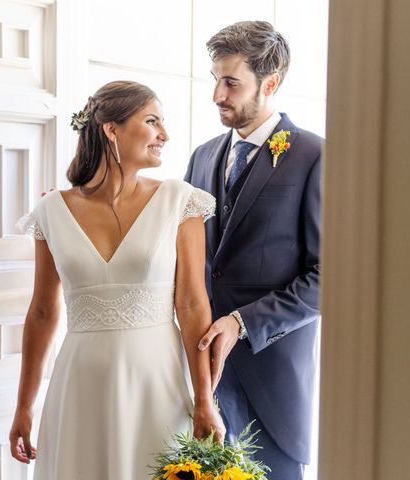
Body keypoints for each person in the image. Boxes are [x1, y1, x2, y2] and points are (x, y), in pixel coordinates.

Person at [9, 80, 224, 479]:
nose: (164, 135)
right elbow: (41, 312)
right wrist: (24, 406)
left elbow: (193, 306)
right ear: (112, 129)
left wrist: (204, 399)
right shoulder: (52, 210)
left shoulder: (181, 201)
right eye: (151, 121)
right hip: (80, 383)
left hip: (157, 383)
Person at [184, 21, 322, 480]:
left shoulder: (315, 157)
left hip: (274, 385)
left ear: (271, 83)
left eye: (231, 83)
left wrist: (243, 322)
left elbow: (328, 276)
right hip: (204, 381)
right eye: (214, 80)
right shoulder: (202, 157)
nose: (217, 95)